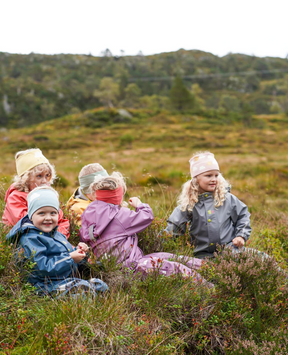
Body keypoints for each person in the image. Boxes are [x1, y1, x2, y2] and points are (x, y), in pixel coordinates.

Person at [80, 171, 205, 282]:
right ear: (118, 196)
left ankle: (211, 268)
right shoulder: (120, 215)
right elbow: (147, 216)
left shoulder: (88, 213)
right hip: (131, 267)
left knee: (164, 256)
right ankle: (211, 286)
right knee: (176, 267)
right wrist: (139, 205)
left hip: (111, 267)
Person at [6, 186, 108, 297]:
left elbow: (66, 255)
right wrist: (70, 258)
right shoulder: (30, 239)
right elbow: (42, 268)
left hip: (63, 278)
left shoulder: (57, 234)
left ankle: (93, 294)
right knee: (81, 290)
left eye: (53, 213)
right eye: (41, 213)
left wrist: (80, 252)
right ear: (31, 216)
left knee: (100, 285)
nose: (48, 218)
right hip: (44, 285)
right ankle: (82, 304)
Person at [164, 151, 251, 259]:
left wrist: (241, 235)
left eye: (216, 175)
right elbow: (174, 226)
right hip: (201, 255)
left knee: (259, 259)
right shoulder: (190, 203)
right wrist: (159, 242)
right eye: (208, 175)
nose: (214, 179)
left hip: (231, 250)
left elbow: (243, 215)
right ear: (196, 179)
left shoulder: (227, 198)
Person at [2, 148, 70, 238]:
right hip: (23, 239)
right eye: (39, 176)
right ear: (25, 178)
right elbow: (24, 222)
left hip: (47, 237)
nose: (44, 181)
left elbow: (61, 220)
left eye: (47, 176)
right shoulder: (15, 197)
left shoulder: (48, 195)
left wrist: (59, 236)